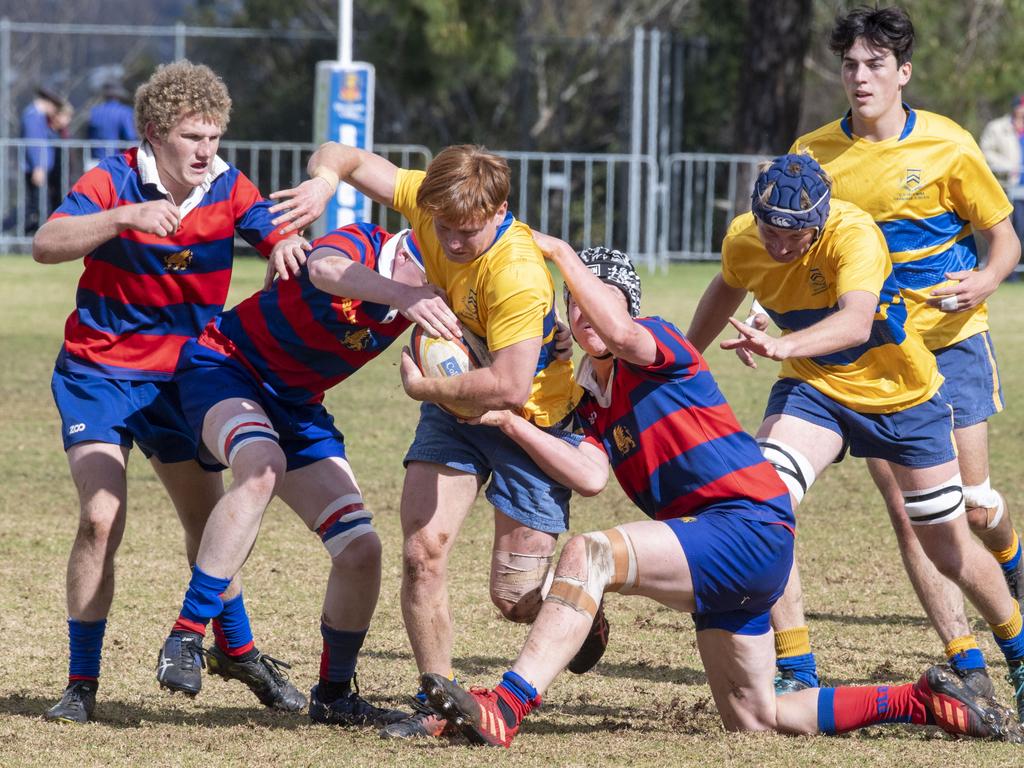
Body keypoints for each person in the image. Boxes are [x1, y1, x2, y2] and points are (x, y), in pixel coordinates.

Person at [415, 236, 1023, 748]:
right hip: (719, 547)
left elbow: (623, 335)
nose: (584, 314)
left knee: (588, 554)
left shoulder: (657, 344)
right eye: (575, 305)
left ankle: (508, 706)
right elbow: (591, 476)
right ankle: (924, 702)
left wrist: (560, 252)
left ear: (623, 307)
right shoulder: (595, 407)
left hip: (744, 523)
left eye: (599, 302)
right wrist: (507, 422)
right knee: (756, 718)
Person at [688, 153, 1024, 723]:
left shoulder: (853, 234)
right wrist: (684, 359)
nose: (781, 245)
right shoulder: (745, 239)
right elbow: (727, 286)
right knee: (763, 506)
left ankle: (1017, 654)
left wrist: (783, 346)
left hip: (902, 395)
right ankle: (796, 664)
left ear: (818, 223)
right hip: (815, 390)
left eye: (795, 235)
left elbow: (856, 320)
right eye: (771, 230)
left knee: (949, 547)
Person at [268, 143, 585, 739]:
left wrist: (424, 390)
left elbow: (510, 386)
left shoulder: (515, 273)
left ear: (500, 211)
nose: (454, 242)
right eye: (444, 227)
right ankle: (436, 702)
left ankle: (580, 607)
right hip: (452, 410)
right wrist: (323, 184)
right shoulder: (431, 200)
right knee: (421, 554)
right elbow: (344, 155)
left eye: (468, 231)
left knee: (514, 597)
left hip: (529, 421)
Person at [33, 60, 309, 724]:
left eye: (214, 137)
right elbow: (46, 243)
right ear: (154, 133)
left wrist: (288, 250)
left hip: (179, 381)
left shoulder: (229, 187)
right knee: (102, 517)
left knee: (207, 523)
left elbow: (284, 241)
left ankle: (236, 649)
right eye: (192, 137)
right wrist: (123, 217)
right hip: (98, 374)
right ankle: (80, 684)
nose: (205, 151)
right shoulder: (113, 178)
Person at [786, 5, 1024, 709]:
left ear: (903, 73)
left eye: (875, 65)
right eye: (851, 65)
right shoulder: (813, 153)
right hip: (873, 359)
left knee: (973, 510)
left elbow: (1004, 238)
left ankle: (1009, 556)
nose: (861, 77)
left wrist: (984, 278)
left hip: (950, 347)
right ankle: (966, 657)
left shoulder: (949, 146)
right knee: (912, 510)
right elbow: (793, 250)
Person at [155, 222, 460, 727]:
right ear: (412, 249)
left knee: (361, 550)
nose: (444, 288)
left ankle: (335, 695)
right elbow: (324, 268)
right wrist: (408, 296)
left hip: (296, 407)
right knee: (261, 467)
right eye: (438, 273)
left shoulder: (429, 293)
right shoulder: (365, 240)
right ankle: (185, 634)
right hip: (225, 367)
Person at [4, 87, 63, 233]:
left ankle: (25, 233)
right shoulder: (34, 116)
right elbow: (34, 144)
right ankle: (7, 229)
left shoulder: (38, 117)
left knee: (37, 206)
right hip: (36, 169)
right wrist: (38, 166)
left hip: (38, 168)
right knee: (37, 206)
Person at [980, 94, 1024, 245]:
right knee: (1014, 233)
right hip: (1008, 188)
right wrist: (1008, 166)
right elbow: (985, 152)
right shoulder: (997, 127)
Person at [88, 80, 137, 165]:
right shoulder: (124, 112)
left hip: (95, 160)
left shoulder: (94, 111)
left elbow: (89, 135)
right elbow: (130, 136)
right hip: (116, 161)